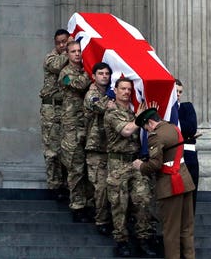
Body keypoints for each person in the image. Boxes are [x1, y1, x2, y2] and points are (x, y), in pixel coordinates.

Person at [104, 77, 157, 258]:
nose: (126, 92)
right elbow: (126, 131)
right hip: (117, 164)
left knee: (143, 198)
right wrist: (140, 118)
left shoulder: (134, 111)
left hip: (135, 163)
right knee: (119, 203)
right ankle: (122, 241)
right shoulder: (111, 113)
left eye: (129, 89)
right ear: (116, 91)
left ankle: (144, 239)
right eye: (123, 89)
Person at [134, 106, 196, 259]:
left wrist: (140, 166)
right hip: (185, 180)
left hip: (170, 185)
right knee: (187, 228)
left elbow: (155, 164)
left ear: (150, 122)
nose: (147, 131)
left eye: (146, 128)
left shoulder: (156, 136)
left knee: (171, 231)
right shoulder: (173, 128)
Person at [58, 39, 91, 222]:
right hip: (71, 127)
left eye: (79, 51)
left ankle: (89, 203)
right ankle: (77, 205)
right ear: (67, 54)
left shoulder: (85, 71)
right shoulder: (65, 73)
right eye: (73, 51)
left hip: (86, 124)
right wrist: (90, 70)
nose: (77, 54)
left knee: (88, 166)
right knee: (75, 166)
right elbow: (78, 85)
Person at [83, 62, 114, 235]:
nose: (104, 76)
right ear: (94, 76)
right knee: (100, 187)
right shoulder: (91, 94)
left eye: (107, 73)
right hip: (95, 148)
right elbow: (100, 107)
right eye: (101, 73)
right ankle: (101, 220)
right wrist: (110, 97)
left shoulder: (111, 93)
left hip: (110, 148)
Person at [41, 29, 70, 200]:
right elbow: (57, 66)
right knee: (52, 150)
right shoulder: (51, 58)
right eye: (58, 42)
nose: (61, 45)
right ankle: (54, 185)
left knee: (67, 149)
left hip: (66, 109)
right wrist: (71, 47)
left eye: (64, 41)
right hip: (51, 110)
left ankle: (66, 185)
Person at [175, 79, 199, 213]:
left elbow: (191, 128)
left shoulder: (186, 107)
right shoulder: (164, 110)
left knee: (190, 193)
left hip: (188, 155)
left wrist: (173, 121)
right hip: (170, 156)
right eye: (175, 91)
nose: (178, 94)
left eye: (180, 92)